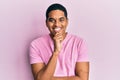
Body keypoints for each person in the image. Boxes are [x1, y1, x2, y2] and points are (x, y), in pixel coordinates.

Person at [29, 3, 89, 80]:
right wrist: (56, 52)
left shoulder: (79, 43)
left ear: (67, 22)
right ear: (46, 23)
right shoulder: (35, 45)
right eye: (52, 20)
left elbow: (83, 79)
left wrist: (50, 78)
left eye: (61, 20)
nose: (57, 24)